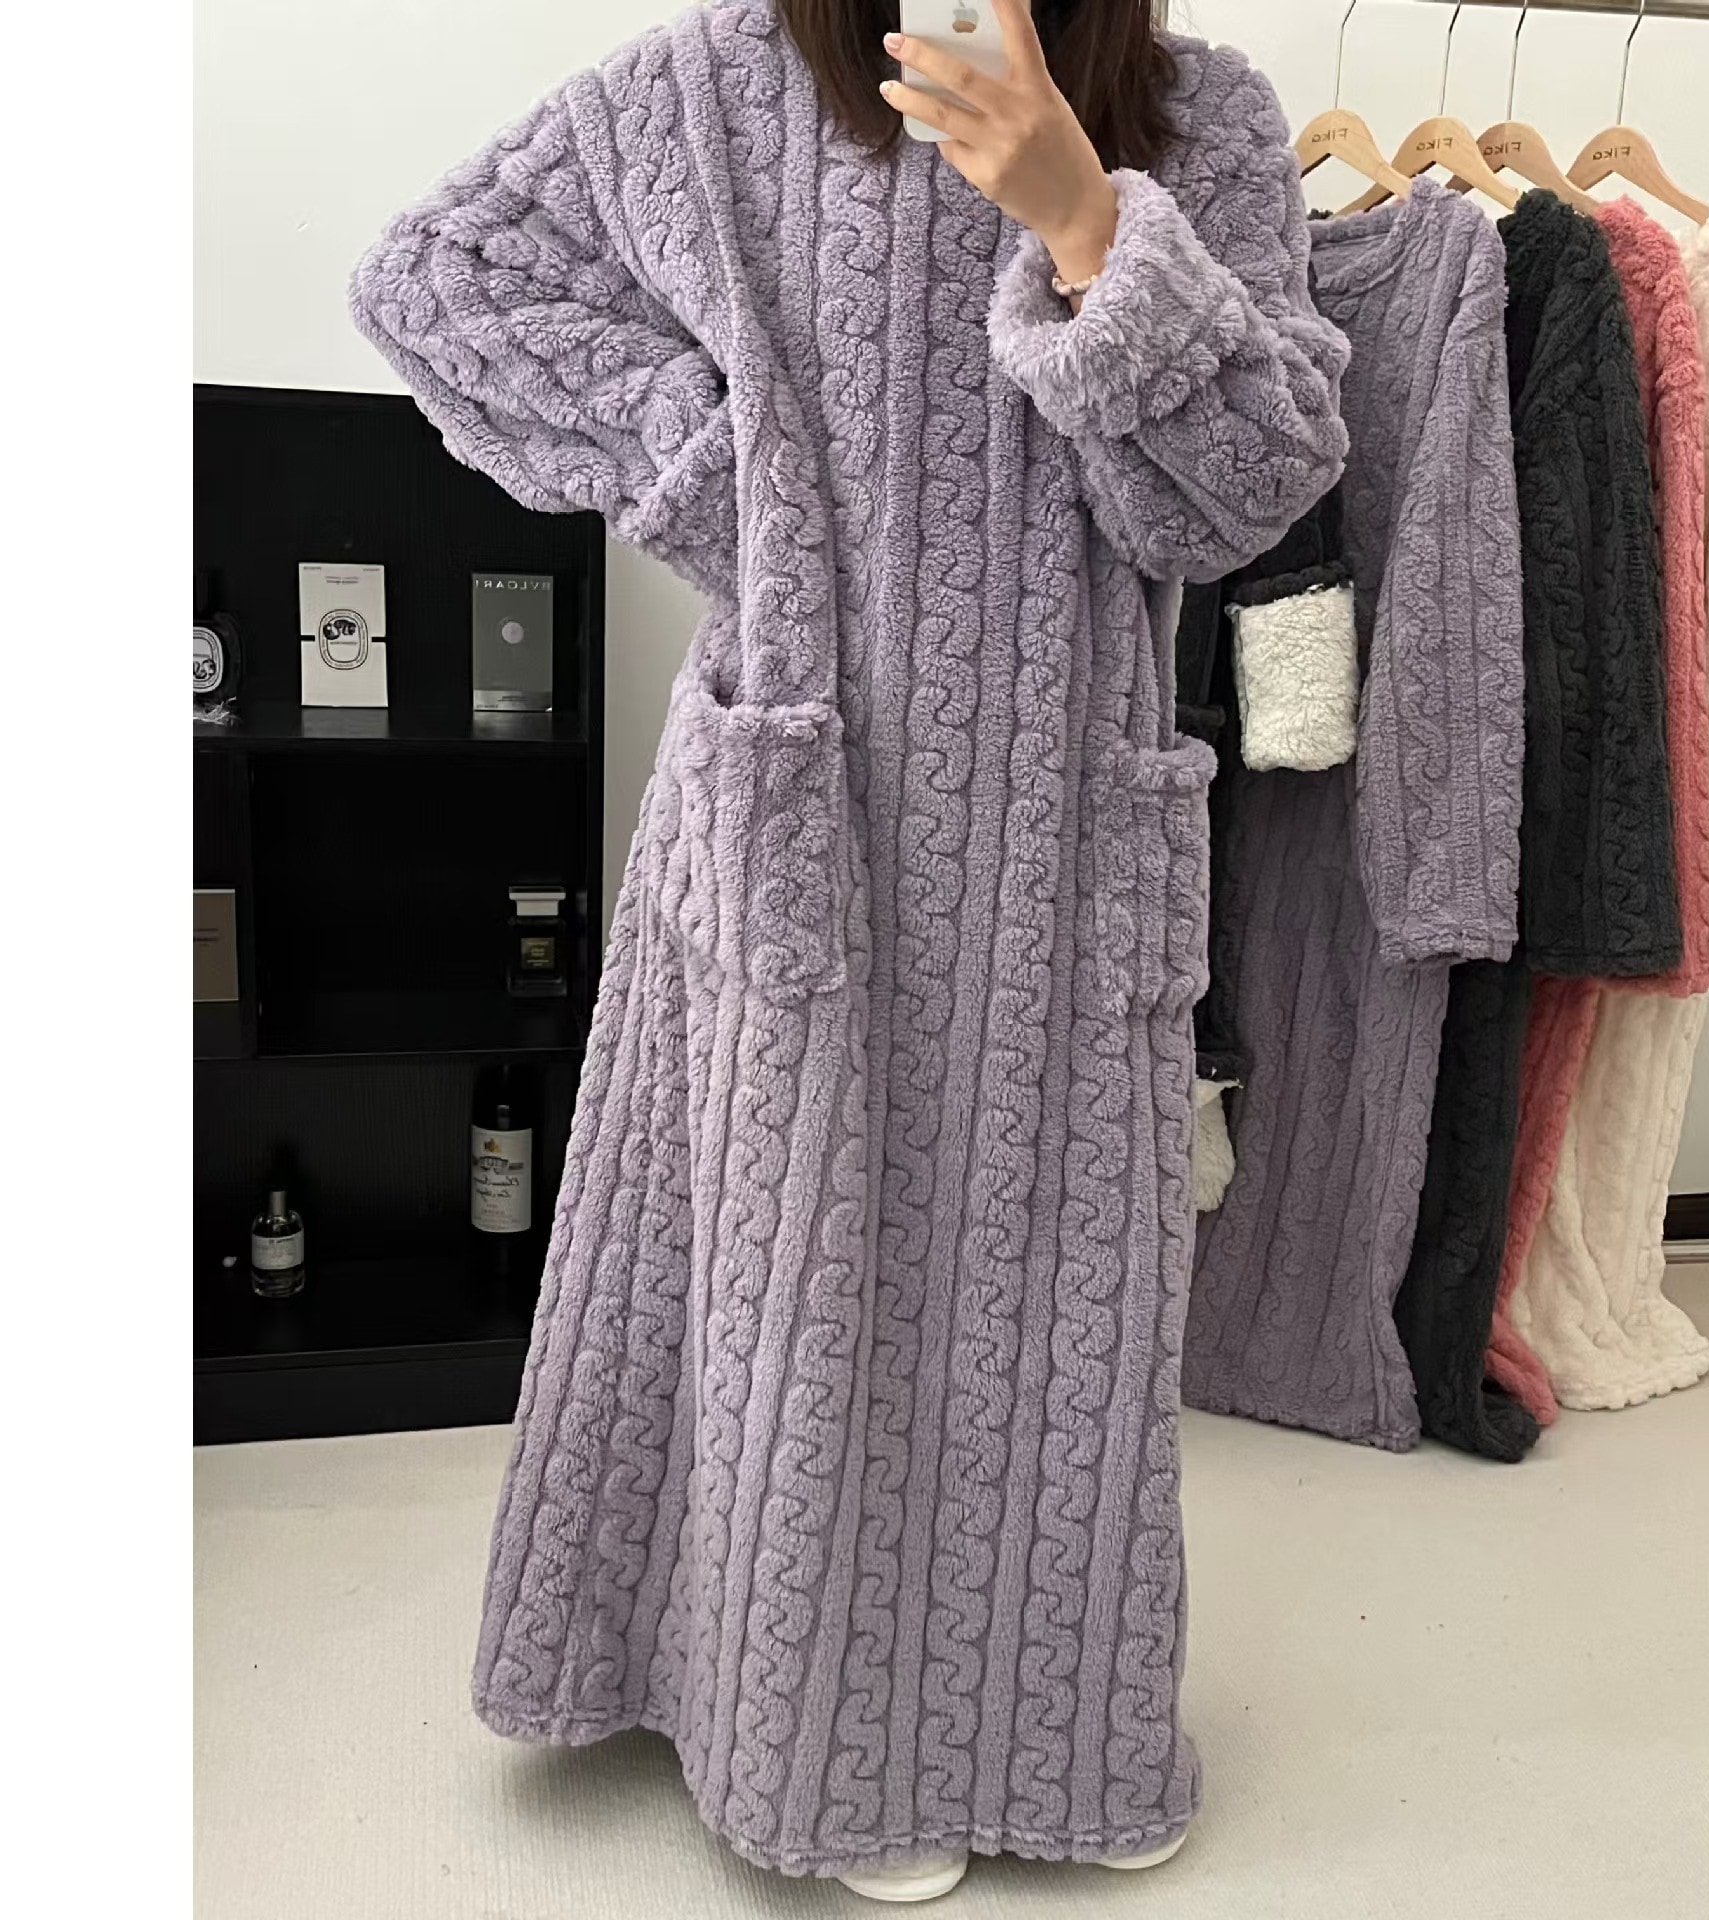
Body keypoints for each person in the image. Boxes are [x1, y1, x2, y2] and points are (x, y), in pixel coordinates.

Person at [351, 0, 1346, 1900]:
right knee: (793, 1284)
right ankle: (798, 1743)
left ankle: (1044, 1740)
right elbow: (440, 280)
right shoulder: (713, 88)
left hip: (1068, 837)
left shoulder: (1198, 117)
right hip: (811, 803)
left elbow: (1248, 489)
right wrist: (723, 473)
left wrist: (1082, 217)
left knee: (1061, 1320)